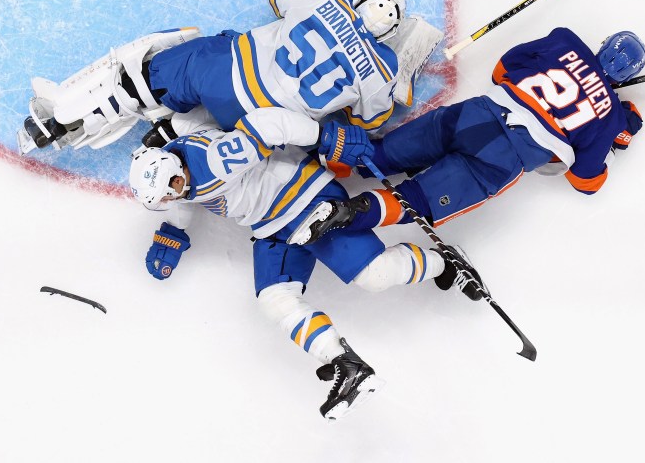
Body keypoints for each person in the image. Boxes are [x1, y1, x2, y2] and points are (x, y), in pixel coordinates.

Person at [129, 105, 484, 421]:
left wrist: (325, 136)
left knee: (375, 276)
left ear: (174, 165)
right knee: (273, 299)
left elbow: (269, 126)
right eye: (165, 195)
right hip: (272, 225)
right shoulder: (178, 164)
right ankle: (346, 365)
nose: (175, 191)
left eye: (174, 184)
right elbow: (199, 122)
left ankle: (447, 263)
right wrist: (173, 232)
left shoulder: (212, 163)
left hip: (309, 199)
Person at [292, 27, 645, 244]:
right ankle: (350, 212)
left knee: (385, 153)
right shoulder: (609, 116)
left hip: (473, 115)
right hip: (500, 160)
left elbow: (501, 70)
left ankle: (310, 162)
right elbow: (587, 182)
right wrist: (620, 128)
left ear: (602, 45)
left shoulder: (564, 41)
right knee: (419, 200)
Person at [18, 0, 428, 154]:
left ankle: (75, 117)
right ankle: (174, 133)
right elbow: (370, 122)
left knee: (166, 58)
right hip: (260, 126)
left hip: (223, 72)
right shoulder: (384, 69)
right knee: (251, 119)